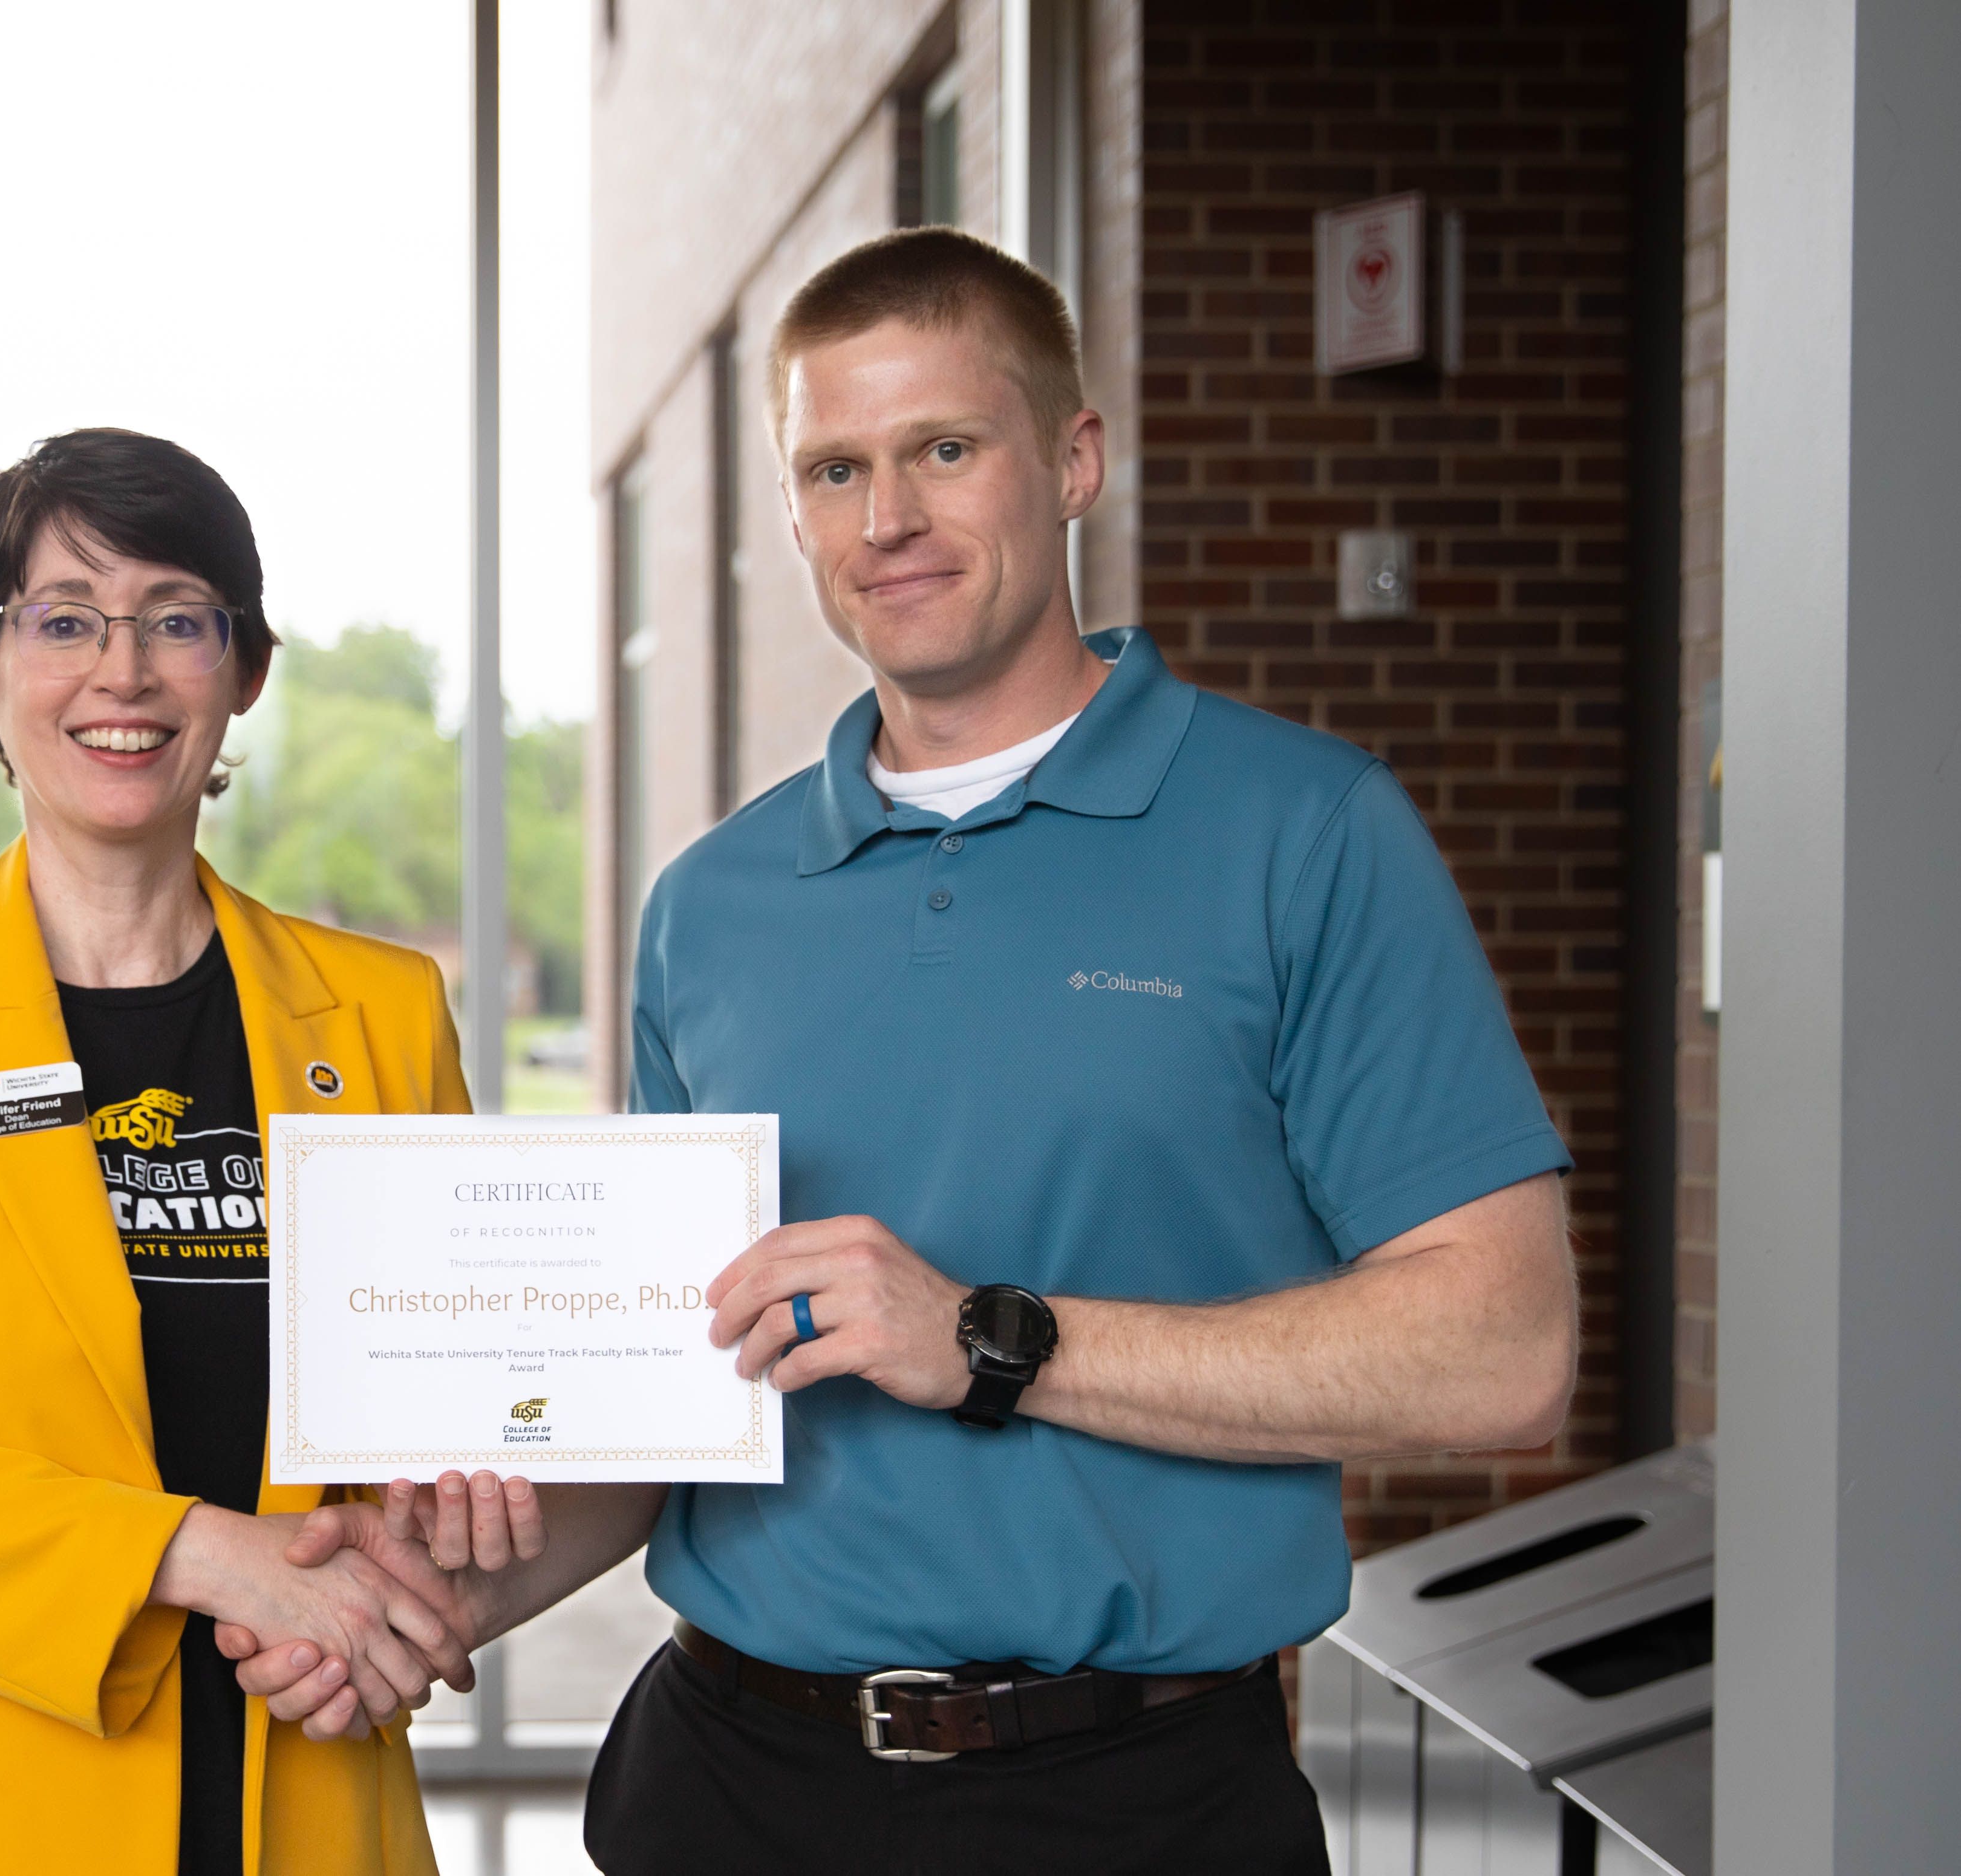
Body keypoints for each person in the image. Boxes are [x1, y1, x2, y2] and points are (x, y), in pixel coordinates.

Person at [236, 227, 1580, 1874]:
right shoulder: (709, 902)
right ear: (791, 512)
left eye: (943, 447)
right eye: (832, 466)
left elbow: (1500, 1346)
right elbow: (687, 1407)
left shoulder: (1302, 832)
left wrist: (993, 1338)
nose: (887, 519)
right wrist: (419, 1587)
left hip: (1135, 1799)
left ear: (1070, 459)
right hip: (726, 1784)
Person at [0, 428, 497, 1876]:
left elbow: (430, 1416)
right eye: (63, 620)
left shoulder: (382, 1016)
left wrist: (441, 1519)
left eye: (175, 620)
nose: (119, 673)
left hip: (298, 1770)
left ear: (242, 672)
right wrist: (197, 1551)